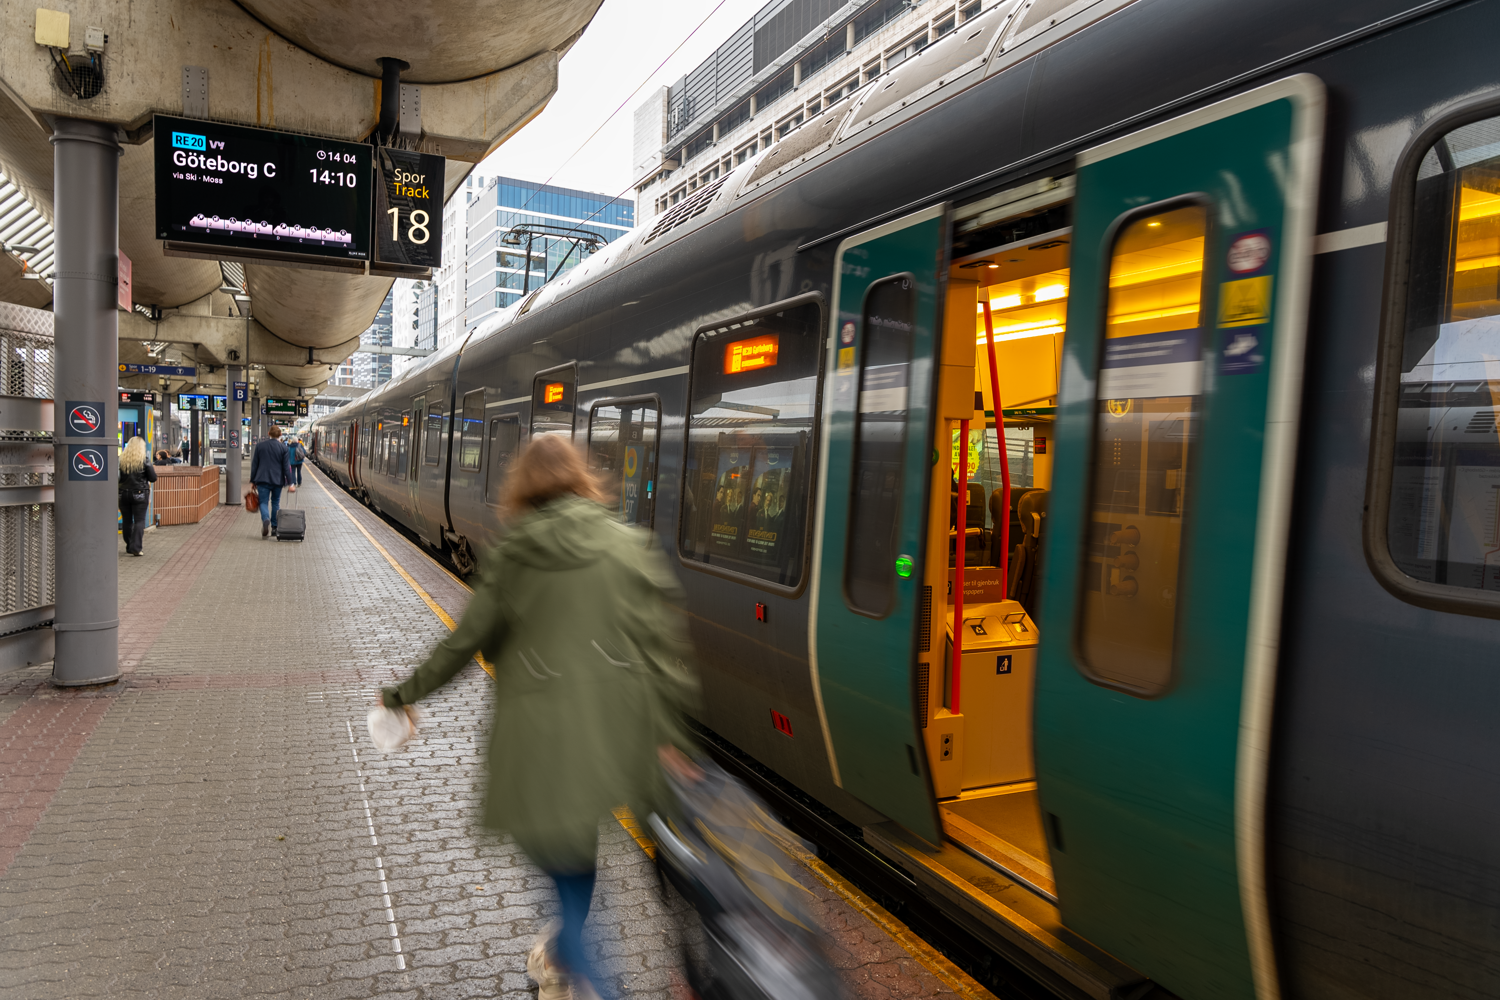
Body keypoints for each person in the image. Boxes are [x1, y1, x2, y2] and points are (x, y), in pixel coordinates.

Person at [377, 434, 699, 1000]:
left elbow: (463, 645)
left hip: (538, 756)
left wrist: (403, 694)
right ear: (582, 479)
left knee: (566, 885)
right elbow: (664, 654)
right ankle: (567, 962)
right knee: (577, 874)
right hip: (609, 748)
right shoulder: (628, 545)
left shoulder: (517, 555)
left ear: (522, 487)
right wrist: (672, 742)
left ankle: (591, 980)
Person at [248, 424, 294, 538]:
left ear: (268, 434)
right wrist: (291, 483)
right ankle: (274, 527)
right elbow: (286, 467)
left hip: (262, 479)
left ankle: (266, 519)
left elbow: (255, 465)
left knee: (263, 502)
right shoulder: (284, 448)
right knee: (275, 503)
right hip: (277, 480)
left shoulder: (260, 446)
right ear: (280, 435)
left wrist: (253, 480)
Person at [118, 436, 157, 557]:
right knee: (139, 521)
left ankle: (129, 546)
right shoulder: (145, 460)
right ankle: (136, 547)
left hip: (123, 494)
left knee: (127, 521)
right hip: (139, 494)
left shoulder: (120, 460)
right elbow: (153, 478)